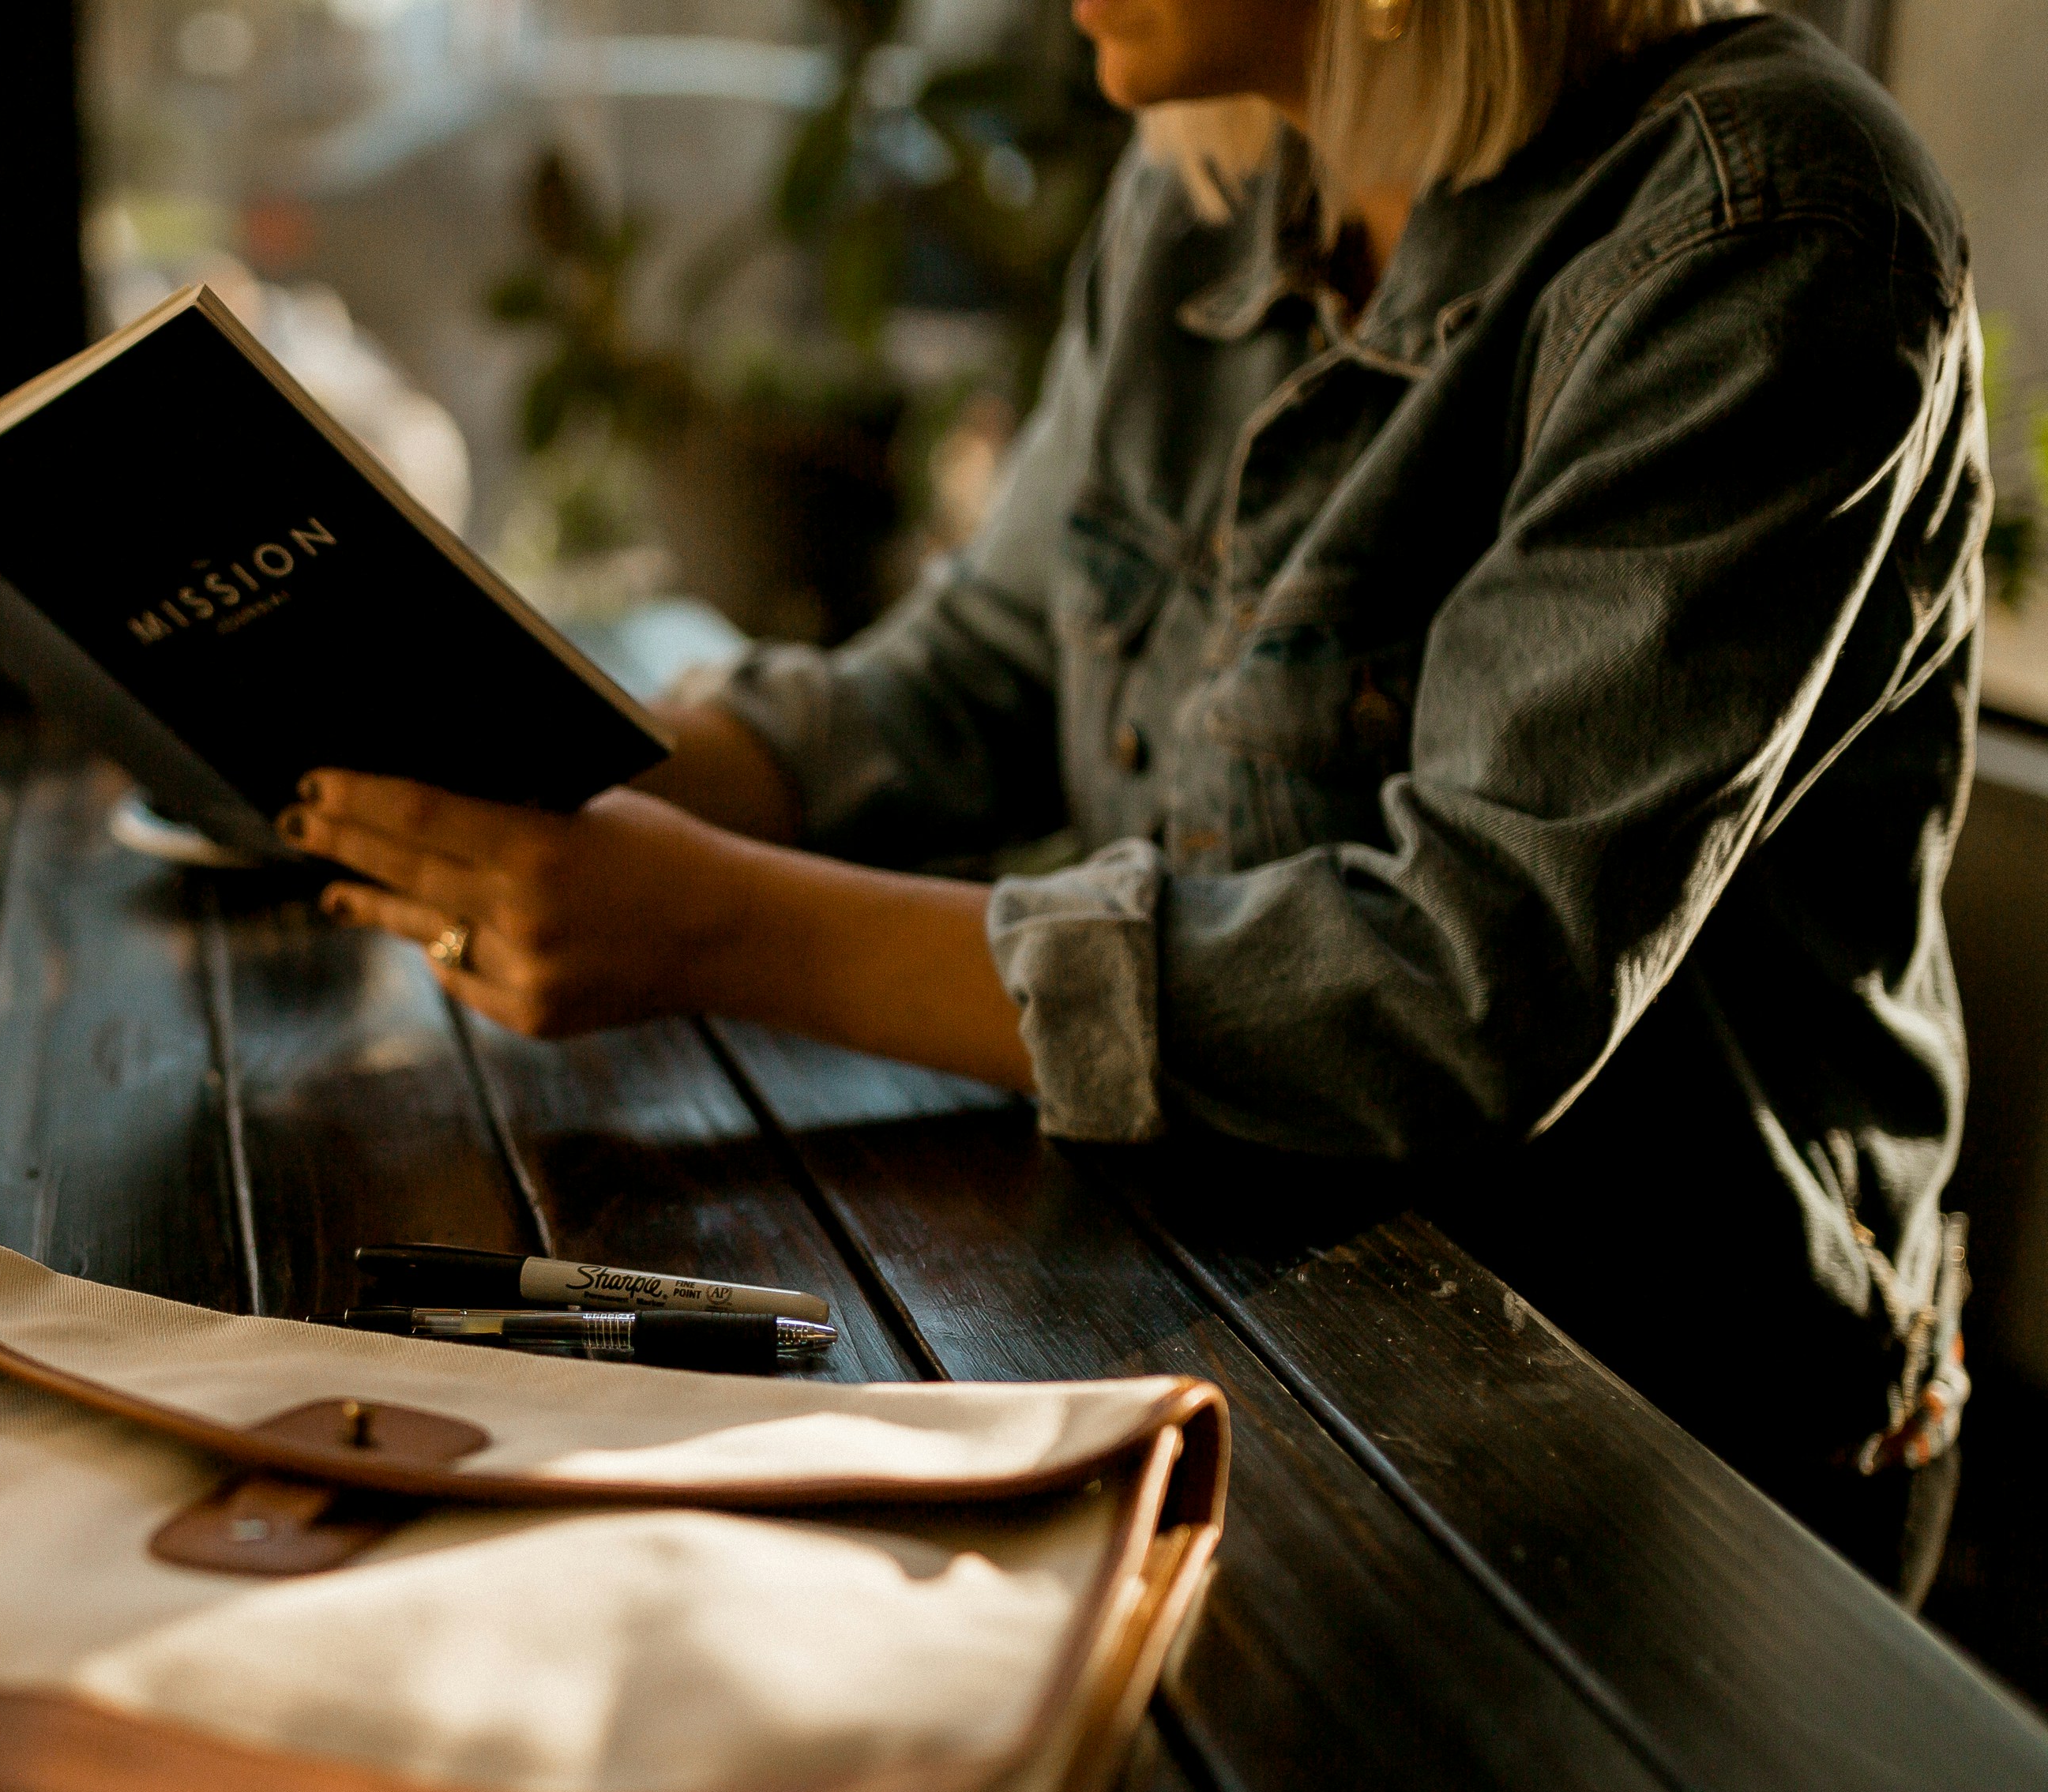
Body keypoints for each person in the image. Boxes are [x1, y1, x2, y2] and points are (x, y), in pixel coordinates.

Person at [276, 0, 1986, 1599]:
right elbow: (983, 667)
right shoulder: (1219, 172)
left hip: (1664, 1453)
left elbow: (1451, 986)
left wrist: (705, 922)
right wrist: (522, 768)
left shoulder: (1768, 227)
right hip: (1258, 1310)